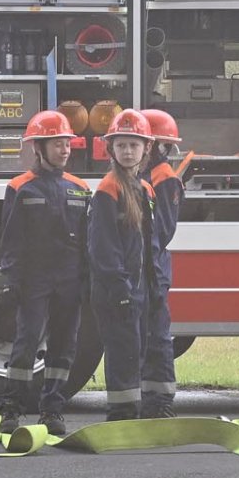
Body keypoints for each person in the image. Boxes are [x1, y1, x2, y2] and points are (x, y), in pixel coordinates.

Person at [0, 110, 89, 436]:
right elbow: (11, 240)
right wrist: (11, 282)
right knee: (26, 343)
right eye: (57, 144)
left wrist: (86, 281)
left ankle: (52, 410)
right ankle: (11, 409)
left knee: (64, 346)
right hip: (34, 279)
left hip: (70, 279)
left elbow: (88, 241)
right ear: (39, 147)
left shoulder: (80, 188)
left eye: (67, 143)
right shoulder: (19, 187)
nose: (65, 150)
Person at [88, 109, 162, 423]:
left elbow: (150, 245)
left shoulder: (145, 189)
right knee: (122, 354)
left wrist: (154, 286)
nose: (128, 151)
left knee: (136, 352)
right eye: (121, 145)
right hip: (115, 291)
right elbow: (103, 247)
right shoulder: (108, 189)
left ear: (147, 148)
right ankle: (120, 416)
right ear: (111, 149)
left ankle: (131, 413)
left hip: (138, 289)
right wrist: (120, 290)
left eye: (134, 144)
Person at [139, 108, 187, 418]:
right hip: (142, 268)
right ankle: (147, 401)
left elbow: (163, 230)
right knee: (141, 337)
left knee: (156, 338)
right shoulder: (142, 175)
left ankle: (160, 403)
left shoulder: (164, 178)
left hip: (153, 269)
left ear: (154, 146)